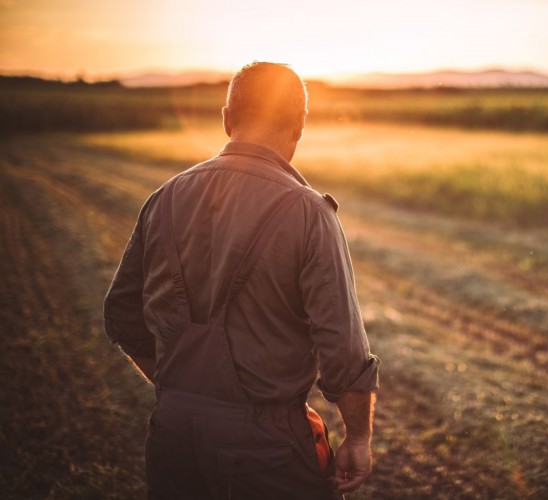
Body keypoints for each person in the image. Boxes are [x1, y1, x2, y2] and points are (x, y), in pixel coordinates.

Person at [103, 62, 379, 499]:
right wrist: (359, 439)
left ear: (227, 119)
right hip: (267, 450)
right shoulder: (309, 213)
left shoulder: (165, 197)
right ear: (299, 127)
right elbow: (342, 350)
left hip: (172, 431)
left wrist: (185, 391)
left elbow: (120, 313)